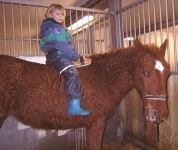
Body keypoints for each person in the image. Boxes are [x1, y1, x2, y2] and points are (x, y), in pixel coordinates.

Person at [39, 4, 91, 116]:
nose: (61, 16)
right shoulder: (56, 29)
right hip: (58, 56)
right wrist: (77, 57)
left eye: (62, 14)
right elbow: (63, 46)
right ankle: (74, 106)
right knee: (72, 73)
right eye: (57, 13)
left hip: (55, 56)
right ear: (50, 14)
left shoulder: (54, 27)